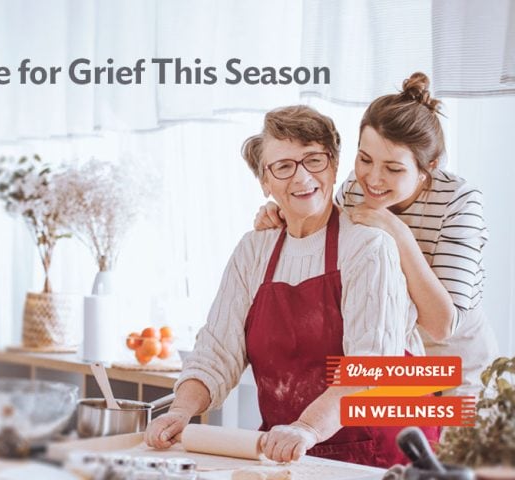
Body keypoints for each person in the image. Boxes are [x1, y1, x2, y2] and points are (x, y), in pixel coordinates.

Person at [145, 105, 430, 468]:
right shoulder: (253, 250)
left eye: (314, 160)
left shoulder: (369, 247)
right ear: (265, 182)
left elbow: (369, 366)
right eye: (283, 166)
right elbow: (217, 351)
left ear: (334, 163)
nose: (301, 178)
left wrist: (307, 426)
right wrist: (181, 409)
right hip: (288, 449)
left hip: (373, 455)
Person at [253, 73, 498, 396]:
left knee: (448, 445)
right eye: (365, 159)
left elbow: (441, 325)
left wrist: (396, 230)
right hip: (394, 360)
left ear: (429, 167)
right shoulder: (354, 189)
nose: (373, 179)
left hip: (457, 365)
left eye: (393, 168)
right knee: (397, 445)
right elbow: (328, 244)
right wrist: (282, 214)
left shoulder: (459, 200)